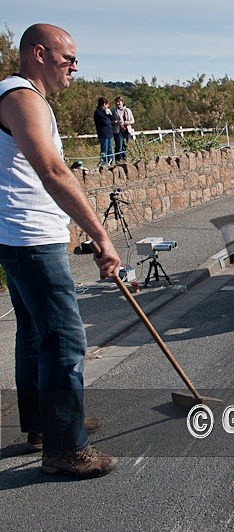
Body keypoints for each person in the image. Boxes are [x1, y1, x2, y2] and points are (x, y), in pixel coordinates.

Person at [0, 23, 120, 477]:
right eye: (67, 56)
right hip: (30, 240)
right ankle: (65, 448)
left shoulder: (21, 97)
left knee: (33, 336)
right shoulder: (21, 98)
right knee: (65, 340)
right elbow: (52, 170)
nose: (75, 65)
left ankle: (44, 425)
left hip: (22, 237)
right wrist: (102, 236)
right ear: (38, 53)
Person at [111, 96, 134, 161]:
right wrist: (116, 122)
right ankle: (118, 161)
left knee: (126, 146)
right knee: (119, 146)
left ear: (122, 102)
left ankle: (125, 159)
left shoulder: (128, 110)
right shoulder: (113, 111)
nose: (117, 104)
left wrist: (125, 122)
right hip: (118, 131)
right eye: (116, 102)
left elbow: (132, 121)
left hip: (127, 131)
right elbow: (110, 121)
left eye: (119, 102)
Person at [92, 96, 113, 167]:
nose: (108, 106)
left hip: (109, 133)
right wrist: (108, 118)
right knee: (104, 149)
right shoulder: (98, 112)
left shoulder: (106, 112)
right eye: (107, 104)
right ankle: (104, 163)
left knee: (110, 149)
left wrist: (110, 115)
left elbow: (111, 120)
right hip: (103, 134)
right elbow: (106, 122)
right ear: (104, 104)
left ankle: (111, 162)